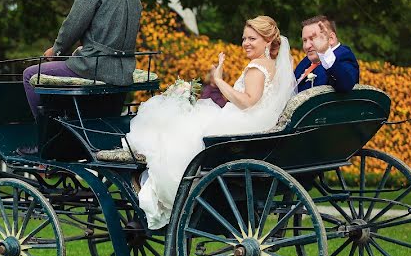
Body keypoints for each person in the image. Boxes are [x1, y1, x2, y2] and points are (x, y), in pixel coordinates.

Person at [125, 16, 296, 229]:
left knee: (179, 130)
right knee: (184, 126)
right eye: (244, 38)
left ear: (268, 41)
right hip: (256, 127)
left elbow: (248, 101)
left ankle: (155, 186)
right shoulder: (273, 66)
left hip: (242, 124)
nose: (246, 43)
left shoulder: (256, 67)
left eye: (253, 38)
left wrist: (219, 81)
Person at [18, 0, 142, 155]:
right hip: (124, 69)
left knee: (30, 74)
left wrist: (56, 50)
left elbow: (74, 24)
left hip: (95, 67)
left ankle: (48, 142)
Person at [293, 15, 359, 92]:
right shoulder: (307, 60)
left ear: (331, 38)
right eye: (304, 40)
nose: (307, 46)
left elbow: (345, 85)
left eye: (313, 38)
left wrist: (325, 53)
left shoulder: (344, 56)